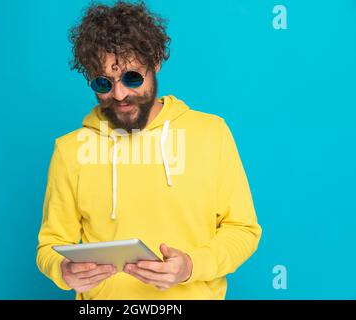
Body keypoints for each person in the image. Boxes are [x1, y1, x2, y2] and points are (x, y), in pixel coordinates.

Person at [36, 0, 262, 300]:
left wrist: (191, 267)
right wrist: (63, 268)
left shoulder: (211, 133)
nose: (120, 94)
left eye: (132, 77)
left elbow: (243, 229)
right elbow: (50, 244)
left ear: (155, 62)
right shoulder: (69, 150)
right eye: (104, 83)